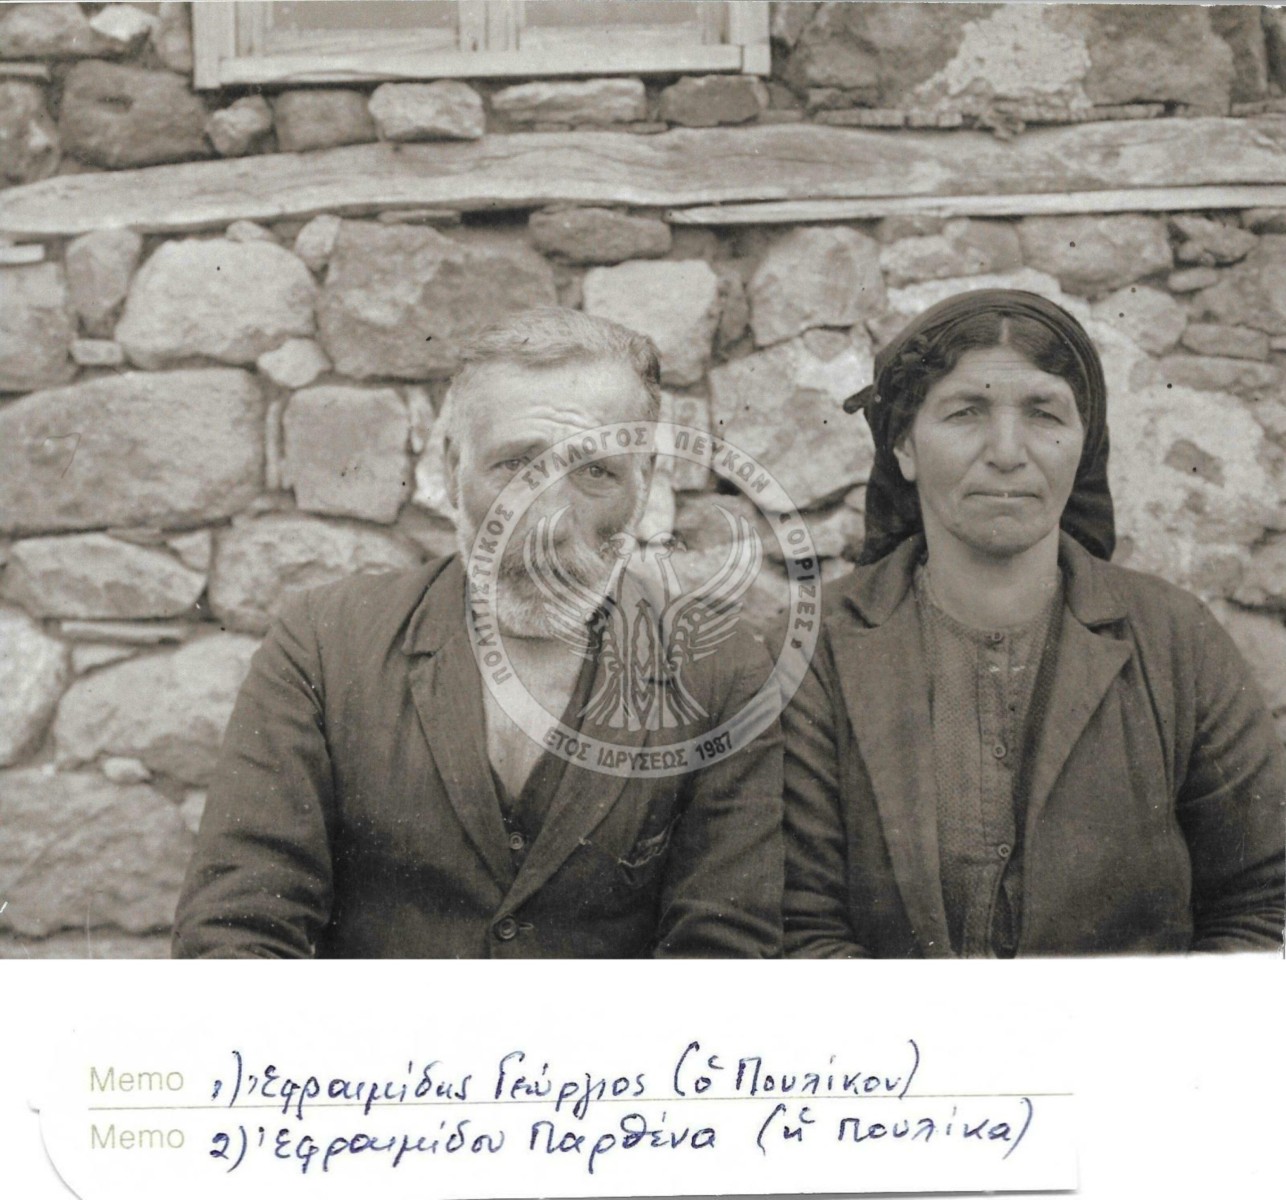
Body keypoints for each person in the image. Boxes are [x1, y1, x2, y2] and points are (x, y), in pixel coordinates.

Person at [173, 308, 783, 958]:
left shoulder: (724, 676)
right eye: (515, 465)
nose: (549, 519)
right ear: (450, 467)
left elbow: (724, 961)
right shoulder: (325, 647)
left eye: (595, 472)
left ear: (645, 484)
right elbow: (236, 933)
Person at [783, 289, 1285, 957]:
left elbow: (1264, 901)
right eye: (965, 412)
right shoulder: (818, 649)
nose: (1007, 451)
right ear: (903, 444)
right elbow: (800, 927)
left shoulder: (1175, 641)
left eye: (1044, 414)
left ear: (1083, 444)